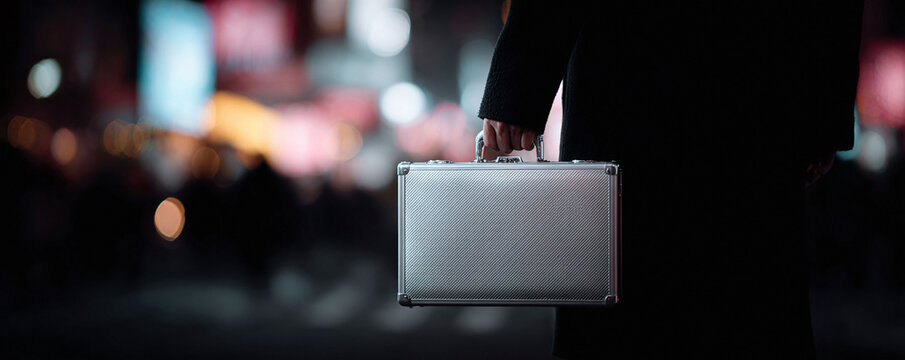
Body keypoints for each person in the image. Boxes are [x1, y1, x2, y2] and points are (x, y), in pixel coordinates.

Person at [478, 1, 863, 358]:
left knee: (634, 312)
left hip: (635, 76)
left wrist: (517, 89)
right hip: (752, 80)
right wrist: (825, 113)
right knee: (742, 306)